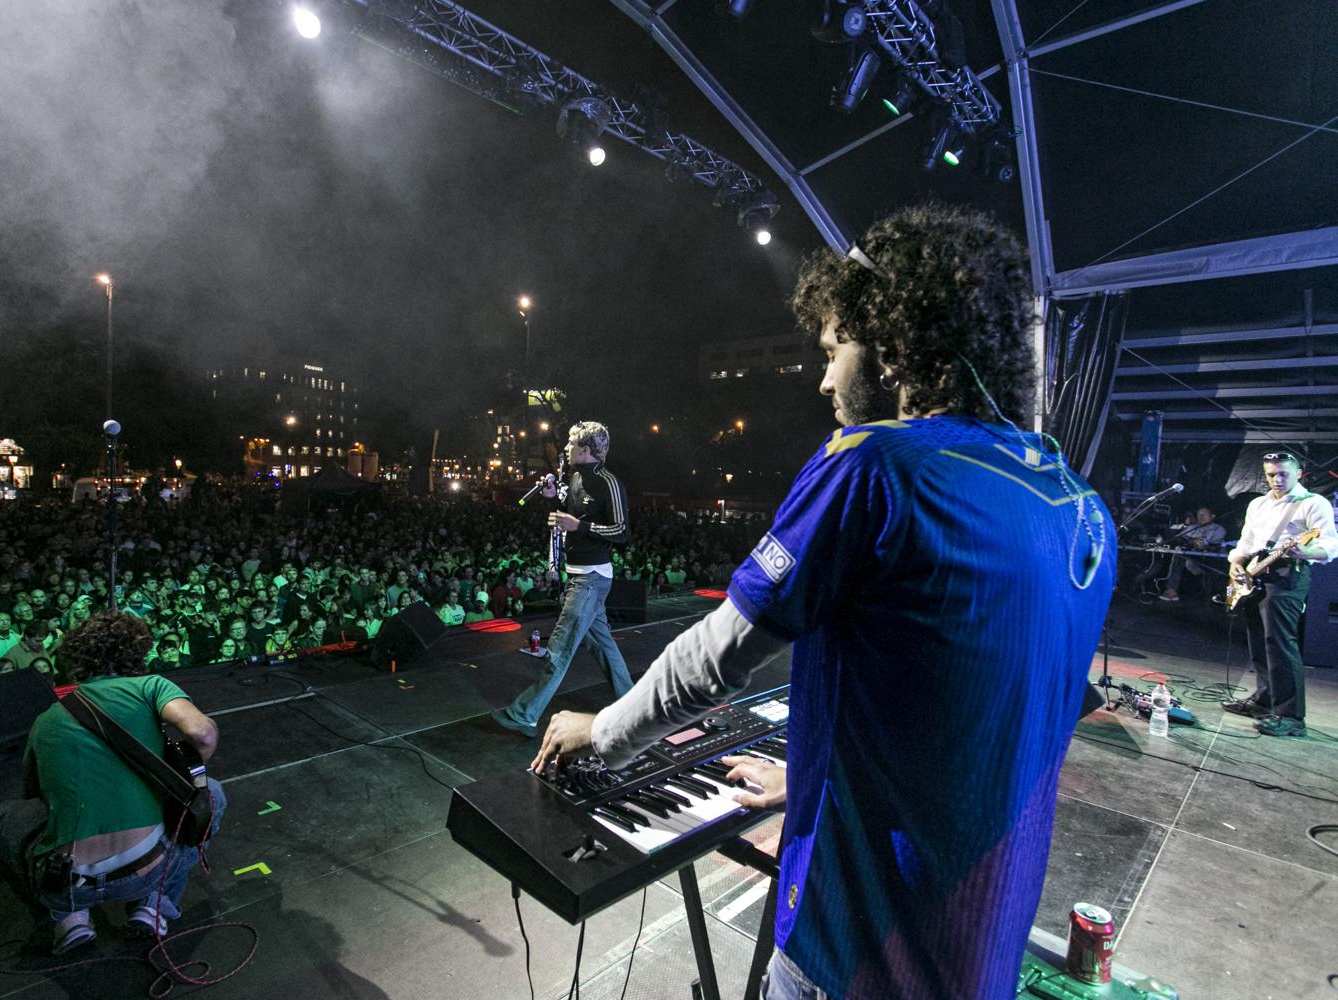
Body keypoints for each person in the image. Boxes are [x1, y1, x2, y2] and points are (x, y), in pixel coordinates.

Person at [529, 204, 1115, 1000]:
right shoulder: (1082, 509)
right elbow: (964, 718)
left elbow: (713, 660)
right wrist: (809, 780)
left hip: (856, 956)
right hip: (981, 955)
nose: (826, 378)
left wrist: (601, 732)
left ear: (895, 345)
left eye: (835, 349)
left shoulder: (876, 466)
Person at [0, 611, 225, 955]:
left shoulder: (46, 718)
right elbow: (203, 733)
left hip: (66, 882)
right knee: (212, 793)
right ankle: (153, 906)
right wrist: (177, 782)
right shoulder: (150, 686)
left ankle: (67, 919)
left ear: (78, 659)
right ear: (136, 652)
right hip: (145, 869)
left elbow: (34, 795)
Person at [493, 420, 634, 738]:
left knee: (558, 649)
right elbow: (567, 516)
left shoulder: (609, 483)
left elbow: (622, 531)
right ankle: (633, 708)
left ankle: (525, 715)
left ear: (586, 450)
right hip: (579, 576)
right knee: (605, 648)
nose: (566, 448)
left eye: (571, 444)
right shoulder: (575, 476)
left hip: (591, 579)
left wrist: (579, 526)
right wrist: (550, 499)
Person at [1221, 452, 1338, 737]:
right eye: (1271, 475)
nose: (1277, 479)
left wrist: (1305, 551)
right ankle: (1263, 700)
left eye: (1284, 474)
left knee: (1280, 642)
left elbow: (1330, 546)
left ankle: (1291, 716)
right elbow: (1247, 542)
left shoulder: (1313, 502)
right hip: (1255, 573)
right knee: (1258, 639)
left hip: (1288, 573)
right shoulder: (1258, 504)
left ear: (1298, 473)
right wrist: (1236, 564)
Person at [1158, 506, 1227, 601]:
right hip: (1194, 560)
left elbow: (1205, 544)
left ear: (1212, 516)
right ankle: (1171, 591)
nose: (1201, 517)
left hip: (1212, 561)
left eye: (1204, 514)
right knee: (1179, 555)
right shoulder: (1192, 528)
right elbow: (1177, 538)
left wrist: (1193, 542)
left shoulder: (1219, 529)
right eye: (1199, 515)